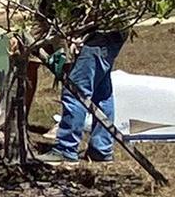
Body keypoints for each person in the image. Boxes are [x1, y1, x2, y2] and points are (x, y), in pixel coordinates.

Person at [36, 29, 127, 164]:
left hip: (96, 39)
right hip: (113, 35)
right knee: (102, 95)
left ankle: (66, 149)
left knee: (75, 94)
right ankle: (101, 150)